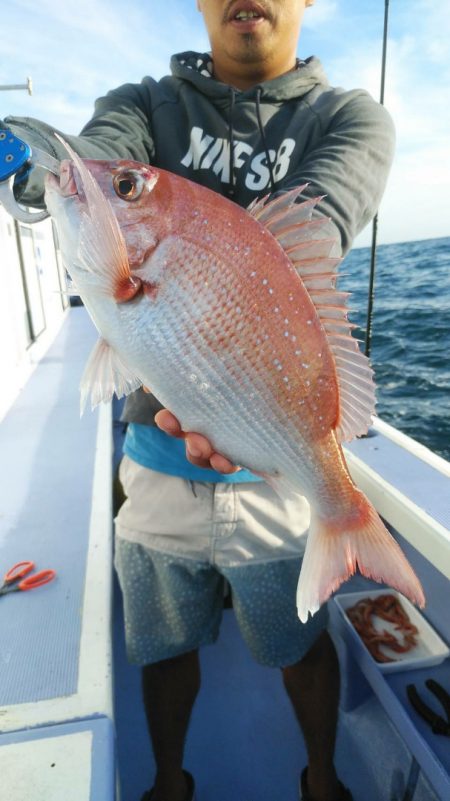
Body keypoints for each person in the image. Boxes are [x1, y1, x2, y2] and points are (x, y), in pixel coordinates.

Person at [4, 2, 395, 799]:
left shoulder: (351, 117)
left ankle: (321, 777)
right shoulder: (144, 104)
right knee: (160, 642)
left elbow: (310, 236)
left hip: (279, 471)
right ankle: (170, 780)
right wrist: (40, 177)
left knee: (298, 637)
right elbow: (96, 161)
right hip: (155, 456)